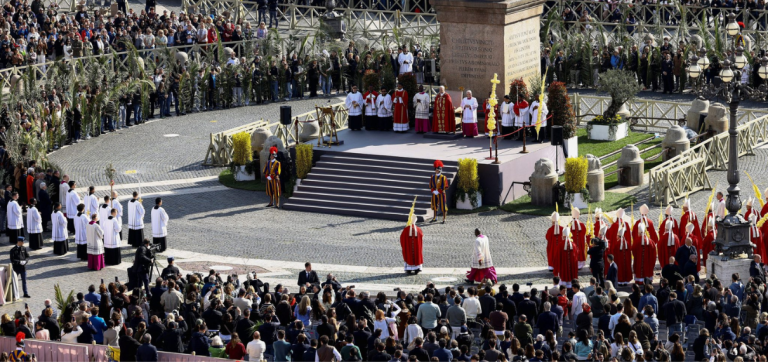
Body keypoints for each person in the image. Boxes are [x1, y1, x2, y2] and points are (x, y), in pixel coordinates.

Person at [607, 209, 632, 285]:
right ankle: (625, 280)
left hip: (617, 250)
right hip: (626, 248)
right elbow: (629, 237)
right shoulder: (626, 224)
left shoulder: (614, 225)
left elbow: (609, 236)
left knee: (619, 264)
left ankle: (620, 280)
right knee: (625, 264)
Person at [400, 209, 423, 274]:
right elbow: (421, 236)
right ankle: (417, 269)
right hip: (416, 248)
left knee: (408, 254)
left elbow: (402, 238)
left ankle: (408, 269)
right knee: (417, 254)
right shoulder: (418, 229)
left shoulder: (406, 229)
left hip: (408, 248)